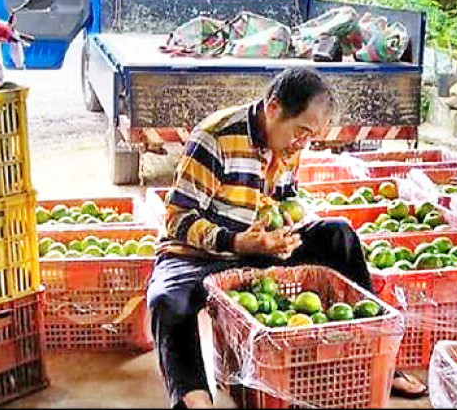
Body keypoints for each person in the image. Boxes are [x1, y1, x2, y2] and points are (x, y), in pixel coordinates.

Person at [146, 67, 426, 409]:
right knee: (166, 301)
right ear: (274, 108)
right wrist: (236, 242)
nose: (303, 143)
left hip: (259, 246)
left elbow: (284, 200)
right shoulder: (216, 137)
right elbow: (177, 218)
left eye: (311, 136)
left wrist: (286, 233)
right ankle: (194, 399)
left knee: (338, 234)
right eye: (301, 132)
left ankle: (380, 360)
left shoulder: (290, 144)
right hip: (200, 253)